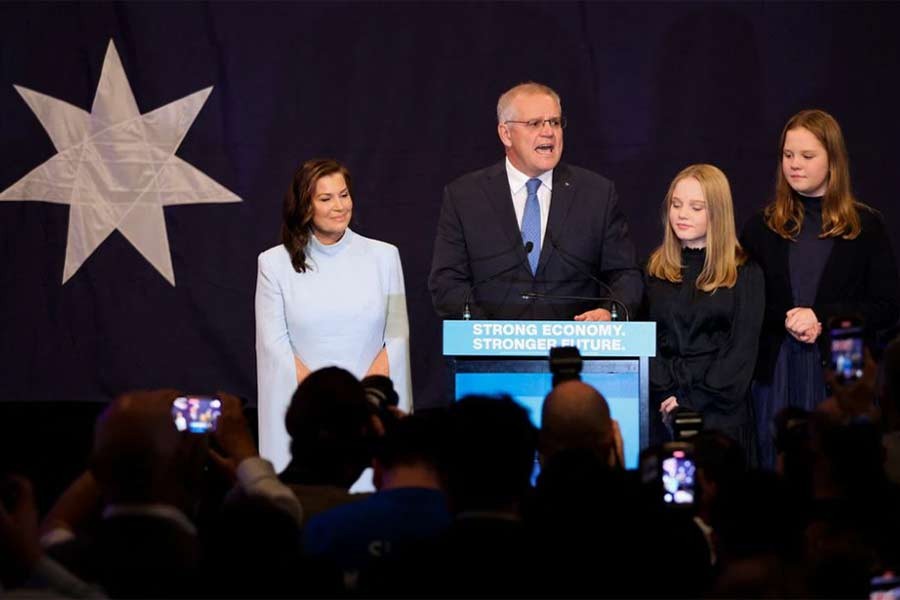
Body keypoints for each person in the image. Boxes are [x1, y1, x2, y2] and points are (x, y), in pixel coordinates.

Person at [740, 109, 900, 468]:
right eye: (788, 155)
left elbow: (888, 306)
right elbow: (745, 307)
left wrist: (823, 318)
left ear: (833, 160)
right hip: (776, 373)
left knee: (843, 471)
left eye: (807, 156)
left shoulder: (866, 227)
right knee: (778, 469)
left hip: (842, 371)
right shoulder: (761, 228)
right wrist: (787, 321)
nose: (795, 164)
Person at [429, 82, 642, 321]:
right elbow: (447, 282)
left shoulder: (596, 194)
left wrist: (609, 312)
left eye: (554, 122)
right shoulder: (465, 196)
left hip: (574, 351)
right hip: (491, 352)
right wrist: (493, 332)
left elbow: (625, 275)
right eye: (535, 123)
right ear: (506, 133)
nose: (548, 132)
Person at [256, 159, 412, 472]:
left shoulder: (385, 257)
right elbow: (275, 345)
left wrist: (364, 402)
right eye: (326, 199)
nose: (339, 206)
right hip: (306, 412)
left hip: (372, 410)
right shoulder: (273, 264)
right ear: (305, 205)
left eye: (344, 195)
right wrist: (329, 404)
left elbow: (396, 334)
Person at [645, 164, 764, 449]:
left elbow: (741, 352)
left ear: (718, 214)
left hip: (720, 418)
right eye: (676, 204)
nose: (682, 214)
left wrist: (689, 401)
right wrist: (667, 397)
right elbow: (646, 342)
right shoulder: (653, 270)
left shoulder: (745, 273)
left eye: (696, 207)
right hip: (664, 413)